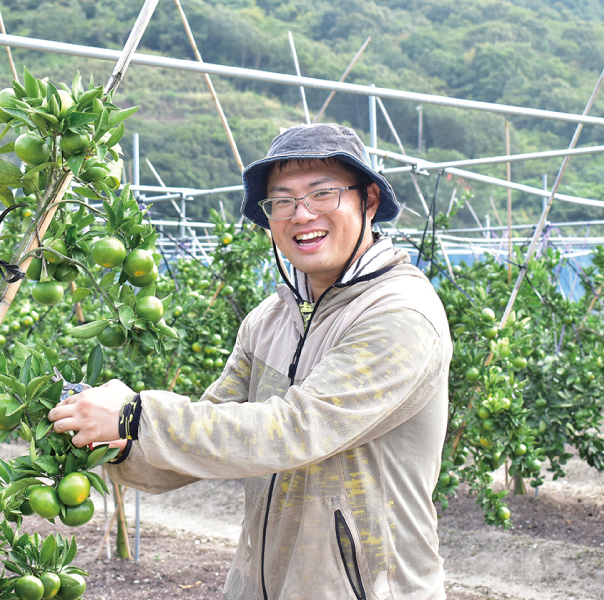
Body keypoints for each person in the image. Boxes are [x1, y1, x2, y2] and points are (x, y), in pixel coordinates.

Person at [49, 123, 452, 600]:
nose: (301, 214)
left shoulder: (400, 314)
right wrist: (118, 445)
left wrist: (139, 416)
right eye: (282, 201)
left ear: (368, 200)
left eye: (322, 193)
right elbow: (214, 430)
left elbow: (298, 428)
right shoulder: (270, 318)